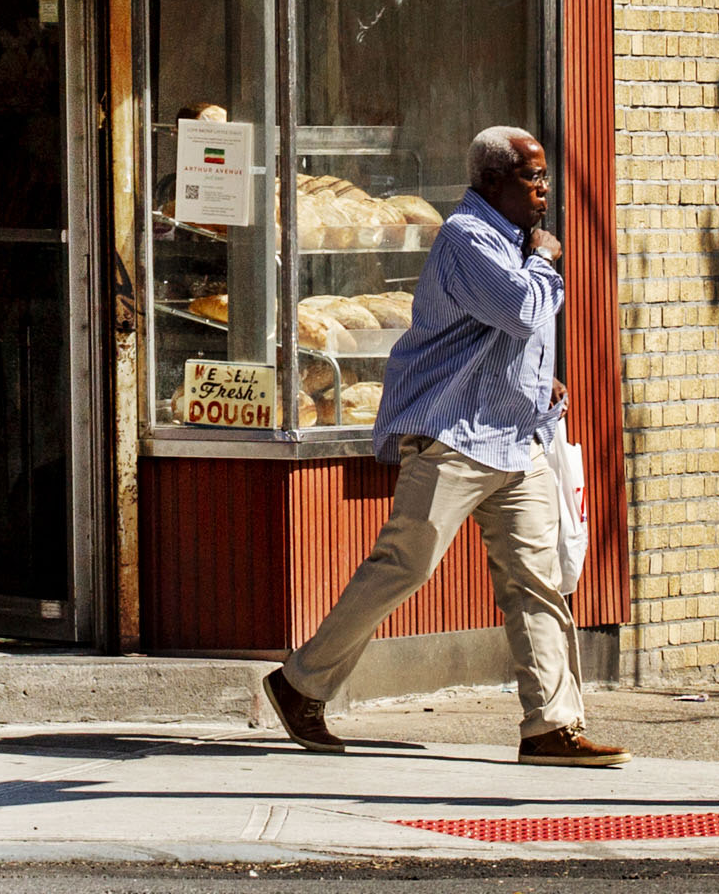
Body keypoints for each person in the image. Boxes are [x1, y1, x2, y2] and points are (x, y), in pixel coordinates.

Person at [263, 124, 631, 768]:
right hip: (455, 436)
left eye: (545, 176)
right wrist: (545, 259)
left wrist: (542, 379)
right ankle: (300, 685)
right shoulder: (468, 237)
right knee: (403, 567)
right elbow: (519, 310)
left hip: (517, 437)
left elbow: (508, 337)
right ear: (493, 181)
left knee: (538, 582)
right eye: (532, 177)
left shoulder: (511, 239)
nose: (545, 189)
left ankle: (551, 726)